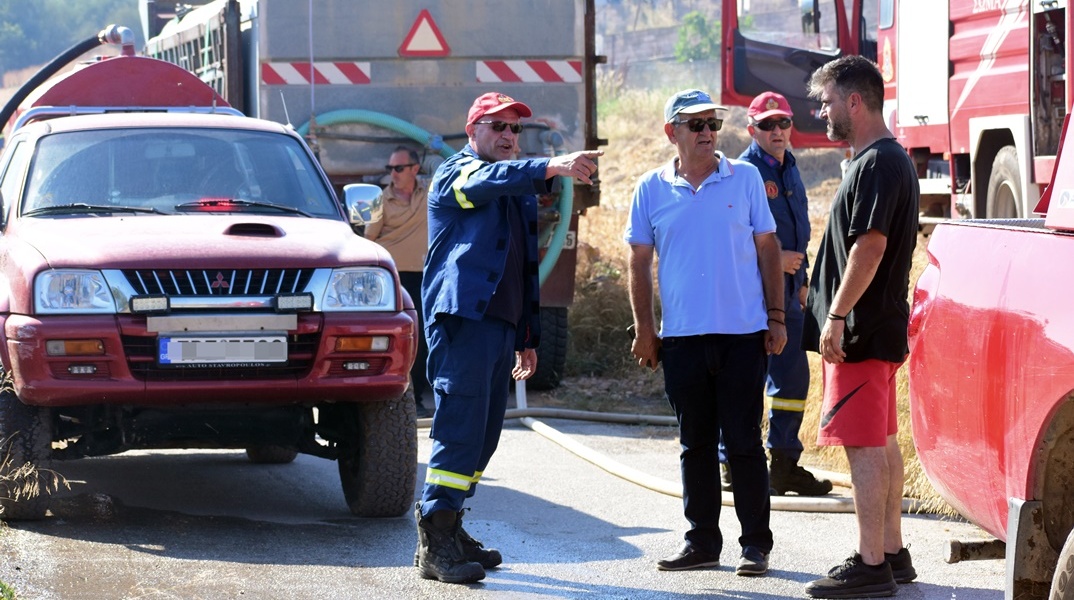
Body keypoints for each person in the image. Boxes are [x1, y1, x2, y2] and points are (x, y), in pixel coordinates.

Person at [415, 91, 602, 584]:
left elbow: (524, 268)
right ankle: (435, 541)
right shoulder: (458, 174)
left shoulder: (515, 188)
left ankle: (452, 525)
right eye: (497, 126)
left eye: (516, 129)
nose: (507, 136)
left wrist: (529, 335)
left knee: (485, 436)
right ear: (472, 130)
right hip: (464, 324)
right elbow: (486, 181)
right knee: (459, 432)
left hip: (500, 327)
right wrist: (552, 165)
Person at [626, 88, 786, 578]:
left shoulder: (746, 179)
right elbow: (638, 260)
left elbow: (768, 248)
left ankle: (755, 546)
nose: (706, 132)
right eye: (694, 124)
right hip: (682, 341)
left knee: (743, 444)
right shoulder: (650, 188)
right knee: (694, 445)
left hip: (742, 336)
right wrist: (645, 329)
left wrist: (777, 317)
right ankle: (701, 543)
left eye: (712, 123)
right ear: (671, 131)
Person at [801, 56, 919, 598]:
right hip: (876, 331)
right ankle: (892, 553)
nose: (821, 111)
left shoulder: (876, 164)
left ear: (854, 101)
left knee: (864, 447)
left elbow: (868, 249)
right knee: (883, 441)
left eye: (826, 101)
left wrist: (836, 315)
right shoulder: (886, 160)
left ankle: (872, 565)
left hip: (861, 334)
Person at [718, 92, 832, 497]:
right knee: (743, 379)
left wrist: (801, 280)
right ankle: (729, 460)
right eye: (768, 125)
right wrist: (773, 257)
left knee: (792, 379)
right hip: (752, 290)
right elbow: (728, 238)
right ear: (752, 130)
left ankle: (783, 464)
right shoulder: (741, 172)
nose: (778, 131)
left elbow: (802, 229)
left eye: (783, 122)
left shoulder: (791, 169)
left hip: (788, 290)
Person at [364, 146, 433, 418]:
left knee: (424, 337)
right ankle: (390, 398)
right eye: (389, 168)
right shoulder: (380, 201)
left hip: (424, 275)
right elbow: (368, 240)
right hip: (393, 279)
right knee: (396, 337)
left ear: (415, 169)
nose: (392, 174)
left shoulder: (429, 193)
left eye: (398, 168)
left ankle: (416, 398)